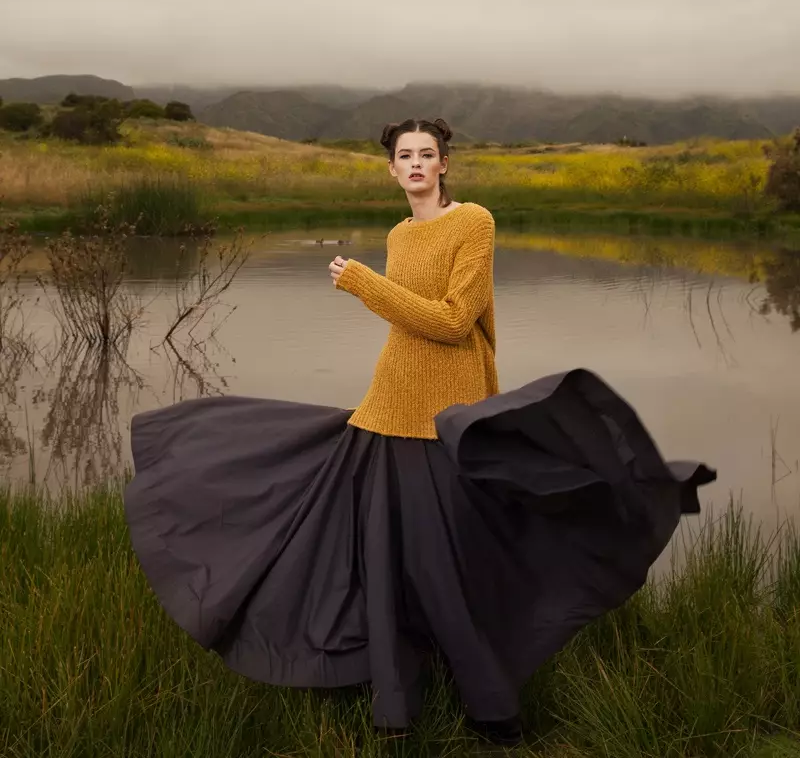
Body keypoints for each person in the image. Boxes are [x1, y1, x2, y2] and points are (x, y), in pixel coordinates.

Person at [124, 116, 714, 747]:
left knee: (445, 566)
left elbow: (455, 322)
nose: (413, 164)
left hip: (449, 420)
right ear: (391, 170)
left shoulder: (473, 223)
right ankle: (395, 708)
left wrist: (363, 284)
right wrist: (376, 289)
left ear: (443, 165)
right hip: (386, 411)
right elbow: (407, 328)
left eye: (425, 155)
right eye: (403, 156)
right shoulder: (398, 233)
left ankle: (492, 709)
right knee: (383, 563)